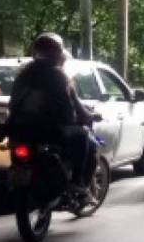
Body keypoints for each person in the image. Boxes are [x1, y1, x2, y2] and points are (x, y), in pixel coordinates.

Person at [7, 32, 96, 192]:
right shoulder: (59, 76)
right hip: (51, 132)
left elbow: (12, 104)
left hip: (19, 130)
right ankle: (77, 182)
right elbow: (74, 109)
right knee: (83, 137)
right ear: (58, 55)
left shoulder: (23, 75)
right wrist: (87, 116)